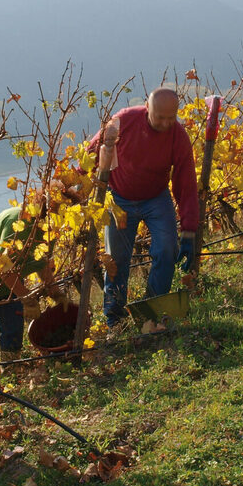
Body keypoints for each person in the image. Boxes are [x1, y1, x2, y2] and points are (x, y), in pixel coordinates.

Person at [90, 88, 198, 327]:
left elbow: (186, 182)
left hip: (156, 198)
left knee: (167, 250)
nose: (166, 123)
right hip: (119, 198)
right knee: (115, 261)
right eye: (160, 117)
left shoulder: (178, 136)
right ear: (147, 109)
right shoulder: (124, 121)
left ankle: (151, 309)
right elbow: (91, 152)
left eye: (172, 117)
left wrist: (189, 229)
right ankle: (115, 321)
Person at [0, 205, 55, 367]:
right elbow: (2, 266)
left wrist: (57, 293)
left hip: (9, 286)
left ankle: (11, 372)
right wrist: (27, 299)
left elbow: (41, 263)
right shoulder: (18, 221)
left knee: (13, 331)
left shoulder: (51, 229)